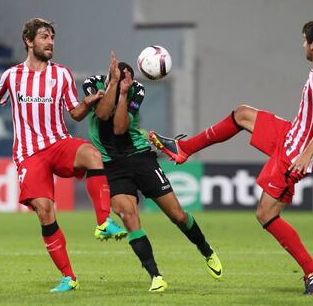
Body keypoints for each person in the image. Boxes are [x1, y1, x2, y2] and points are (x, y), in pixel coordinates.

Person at [150, 19, 313, 295]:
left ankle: (312, 269)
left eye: (304, 40)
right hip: (290, 133)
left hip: (294, 152)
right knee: (242, 114)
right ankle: (185, 148)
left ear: (312, 45)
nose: (303, 45)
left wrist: (305, 156)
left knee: (265, 213)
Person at [0, 18, 127, 293]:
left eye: (52, 37)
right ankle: (69, 278)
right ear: (29, 41)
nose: (50, 42)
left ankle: (103, 221)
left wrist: (87, 103)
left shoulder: (62, 75)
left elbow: (75, 113)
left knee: (93, 155)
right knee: (45, 211)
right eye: (45, 37)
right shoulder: (12, 76)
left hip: (59, 143)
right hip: (29, 154)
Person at [82, 51, 222, 292]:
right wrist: (114, 85)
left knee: (177, 215)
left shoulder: (137, 90)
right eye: (115, 79)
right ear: (108, 77)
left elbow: (118, 128)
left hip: (140, 158)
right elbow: (102, 114)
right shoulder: (92, 84)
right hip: (111, 165)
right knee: (128, 216)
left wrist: (123, 93)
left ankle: (206, 249)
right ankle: (155, 276)